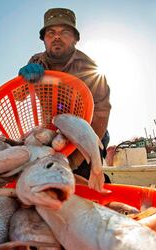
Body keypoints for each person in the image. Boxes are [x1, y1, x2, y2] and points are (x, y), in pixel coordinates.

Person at [18, 8, 111, 183]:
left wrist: (73, 160)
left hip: (88, 132)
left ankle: (98, 181)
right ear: (44, 39)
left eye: (65, 32)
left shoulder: (90, 68)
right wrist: (22, 79)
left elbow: (101, 113)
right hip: (53, 130)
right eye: (51, 33)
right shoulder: (36, 62)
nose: (56, 37)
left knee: (83, 177)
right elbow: (19, 97)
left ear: (75, 39)